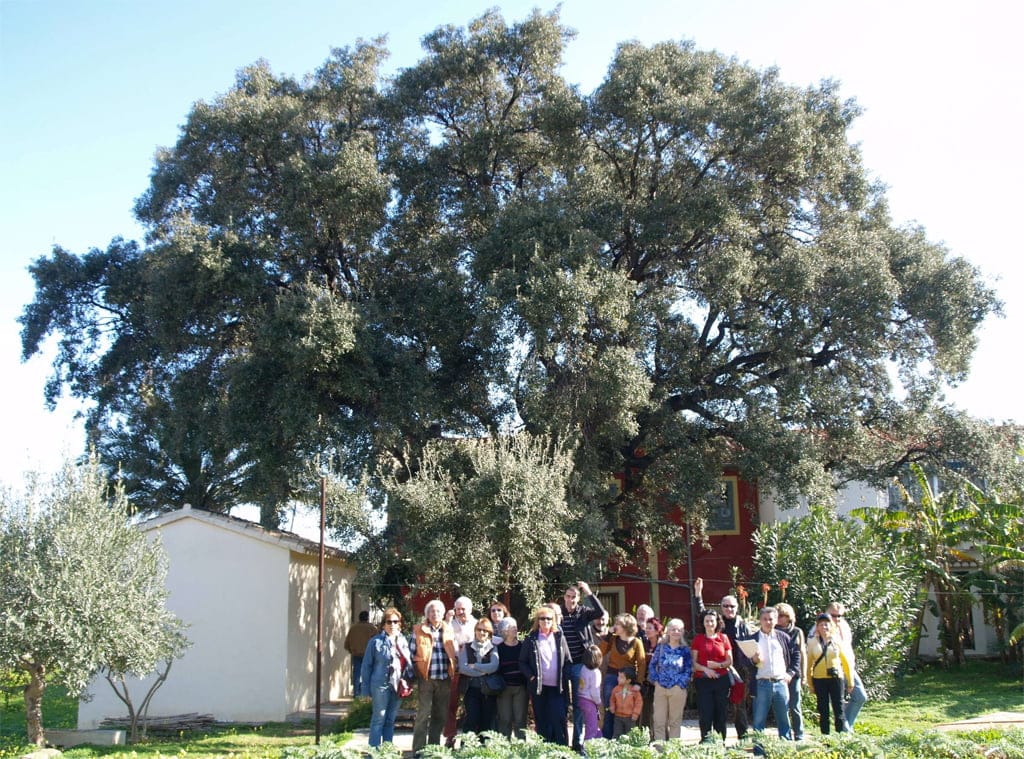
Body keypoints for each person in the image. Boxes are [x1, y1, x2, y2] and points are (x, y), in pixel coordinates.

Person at [694, 577, 754, 739]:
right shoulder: (717, 623)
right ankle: (715, 737)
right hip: (718, 669)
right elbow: (703, 615)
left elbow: (752, 645)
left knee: (738, 703)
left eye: (732, 606)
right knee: (718, 706)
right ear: (721, 608)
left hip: (738, 668)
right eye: (725, 606)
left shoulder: (743, 625)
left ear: (737, 607)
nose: (729, 609)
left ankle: (743, 736)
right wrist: (698, 595)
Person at [557, 580, 606, 751]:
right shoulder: (558, 613)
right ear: (564, 597)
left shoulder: (583, 613)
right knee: (562, 704)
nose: (570, 600)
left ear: (578, 599)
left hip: (579, 664)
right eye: (568, 596)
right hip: (562, 665)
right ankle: (563, 742)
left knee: (579, 705)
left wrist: (588, 592)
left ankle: (578, 743)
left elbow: (600, 611)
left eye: (574, 597)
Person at [360, 607, 413, 748]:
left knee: (390, 720)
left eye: (396, 622)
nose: (393, 625)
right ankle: (374, 752)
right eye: (389, 622)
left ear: (400, 624)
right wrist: (365, 689)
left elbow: (408, 664)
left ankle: (387, 751)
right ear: (384, 624)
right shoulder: (375, 642)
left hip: (397, 685)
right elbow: (366, 666)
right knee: (379, 718)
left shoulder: (403, 641)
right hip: (380, 684)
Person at [748, 606, 800, 750]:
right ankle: (758, 751)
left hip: (780, 684)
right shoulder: (753, 639)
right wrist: (753, 660)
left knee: (783, 720)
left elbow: (796, 655)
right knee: (759, 721)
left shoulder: (783, 637)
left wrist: (790, 674)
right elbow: (743, 661)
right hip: (761, 684)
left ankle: (785, 750)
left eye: (771, 619)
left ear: (776, 620)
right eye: (765, 619)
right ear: (760, 620)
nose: (768, 622)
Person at [519, 605, 572, 744]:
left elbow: (567, 660)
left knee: (558, 718)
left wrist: (565, 678)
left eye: (549, 618)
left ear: (553, 620)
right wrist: (531, 676)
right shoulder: (531, 638)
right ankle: (544, 751)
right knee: (542, 720)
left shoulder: (559, 637)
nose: (546, 621)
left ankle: (562, 750)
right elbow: (522, 662)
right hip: (539, 688)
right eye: (542, 618)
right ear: (538, 620)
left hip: (557, 687)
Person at [410, 599, 458, 753]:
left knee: (440, 716)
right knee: (423, 715)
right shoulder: (418, 630)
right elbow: (411, 653)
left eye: (438, 611)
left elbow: (454, 652)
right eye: (431, 611)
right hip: (426, 679)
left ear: (443, 614)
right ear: (427, 614)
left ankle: (433, 749)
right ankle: (418, 750)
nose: (435, 613)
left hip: (444, 678)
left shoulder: (449, 630)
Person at [598, 613, 647, 738]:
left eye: (618, 624)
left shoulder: (636, 642)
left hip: (628, 680)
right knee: (610, 707)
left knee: (626, 709)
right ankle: (607, 738)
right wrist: (608, 635)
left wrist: (638, 682)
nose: (615, 626)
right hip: (612, 676)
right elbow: (600, 652)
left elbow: (641, 664)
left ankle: (626, 738)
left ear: (626, 626)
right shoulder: (613, 639)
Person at [691, 608, 732, 742]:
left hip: (721, 681)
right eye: (707, 621)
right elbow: (693, 662)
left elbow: (729, 661)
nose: (709, 624)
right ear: (703, 623)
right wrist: (705, 670)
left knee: (721, 714)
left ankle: (720, 742)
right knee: (706, 713)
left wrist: (718, 665)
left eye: (712, 621)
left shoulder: (723, 638)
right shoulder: (698, 639)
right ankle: (706, 742)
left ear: (717, 622)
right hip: (703, 681)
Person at [807, 613, 853, 735]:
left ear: (831, 626)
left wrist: (850, 681)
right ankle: (825, 737)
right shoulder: (812, 642)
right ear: (817, 627)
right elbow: (809, 665)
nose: (824, 627)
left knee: (839, 709)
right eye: (821, 624)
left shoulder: (837, 641)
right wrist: (810, 684)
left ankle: (840, 737)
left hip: (836, 678)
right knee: (823, 710)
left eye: (826, 624)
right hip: (819, 679)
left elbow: (845, 661)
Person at [648, 617, 692, 742]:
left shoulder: (685, 650)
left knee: (675, 722)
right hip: (661, 688)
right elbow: (652, 665)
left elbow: (688, 669)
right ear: (668, 631)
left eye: (679, 630)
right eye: (673, 629)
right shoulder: (661, 647)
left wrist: (681, 683)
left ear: (682, 632)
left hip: (677, 689)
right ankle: (660, 750)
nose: (676, 632)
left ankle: (673, 751)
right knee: (659, 721)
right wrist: (656, 680)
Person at [827, 601, 868, 729]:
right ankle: (845, 731)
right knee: (837, 702)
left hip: (848, 667)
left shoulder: (844, 626)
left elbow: (847, 648)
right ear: (827, 613)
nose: (837, 618)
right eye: (834, 615)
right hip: (832, 669)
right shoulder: (821, 628)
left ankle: (845, 728)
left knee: (860, 696)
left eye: (839, 616)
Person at [444, 596, 478, 746]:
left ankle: (468, 741)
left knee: (471, 706)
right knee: (450, 706)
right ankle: (449, 738)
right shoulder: (449, 625)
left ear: (470, 609)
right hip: (454, 669)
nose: (460, 612)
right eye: (457, 609)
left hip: (472, 670)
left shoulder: (477, 624)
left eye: (463, 609)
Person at [458, 618, 499, 737]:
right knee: (471, 719)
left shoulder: (493, 648)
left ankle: (483, 750)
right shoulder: (467, 647)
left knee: (486, 722)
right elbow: (463, 668)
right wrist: (483, 671)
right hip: (471, 690)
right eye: (479, 629)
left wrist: (475, 666)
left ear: (489, 633)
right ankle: (466, 749)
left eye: (485, 630)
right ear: (475, 631)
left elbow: (494, 666)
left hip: (488, 691)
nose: (482, 633)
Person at [775, 602, 807, 741]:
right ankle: (785, 735)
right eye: (778, 615)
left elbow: (802, 653)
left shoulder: (797, 631)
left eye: (783, 616)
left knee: (795, 705)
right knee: (782, 706)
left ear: (789, 617)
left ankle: (799, 734)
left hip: (794, 673)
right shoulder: (773, 631)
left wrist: (804, 674)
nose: (780, 618)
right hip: (778, 673)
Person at [494, 617, 528, 739]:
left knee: (520, 719)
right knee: (505, 719)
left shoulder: (523, 646)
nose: (515, 629)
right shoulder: (499, 648)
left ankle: (521, 747)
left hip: (520, 688)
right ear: (505, 631)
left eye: (515, 626)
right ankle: (504, 747)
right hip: (504, 688)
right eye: (512, 627)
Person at [344, 610, 378, 697]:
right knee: (368, 674)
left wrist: (351, 650)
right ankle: (367, 694)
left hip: (356, 654)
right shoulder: (372, 628)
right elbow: (377, 643)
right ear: (367, 618)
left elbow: (347, 643)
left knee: (357, 674)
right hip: (368, 655)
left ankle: (356, 693)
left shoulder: (353, 628)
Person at [577, 644, 603, 744]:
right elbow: (594, 691)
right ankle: (588, 750)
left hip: (580, 698)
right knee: (591, 727)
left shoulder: (583, 668)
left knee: (584, 724)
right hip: (589, 702)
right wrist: (598, 702)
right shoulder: (596, 672)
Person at [640, 616, 663, 729]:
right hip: (646, 683)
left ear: (657, 630)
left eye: (650, 628)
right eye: (646, 628)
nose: (647, 630)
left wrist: (652, 657)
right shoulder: (644, 644)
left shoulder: (663, 644)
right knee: (645, 711)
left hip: (659, 683)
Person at [609, 666, 643, 738]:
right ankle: (615, 746)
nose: (618, 678)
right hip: (618, 717)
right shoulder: (616, 689)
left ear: (628, 680)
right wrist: (612, 706)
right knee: (617, 733)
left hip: (630, 717)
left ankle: (629, 748)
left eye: (621, 677)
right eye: (618, 676)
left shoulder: (634, 690)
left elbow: (638, 703)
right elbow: (612, 699)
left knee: (630, 735)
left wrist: (635, 714)